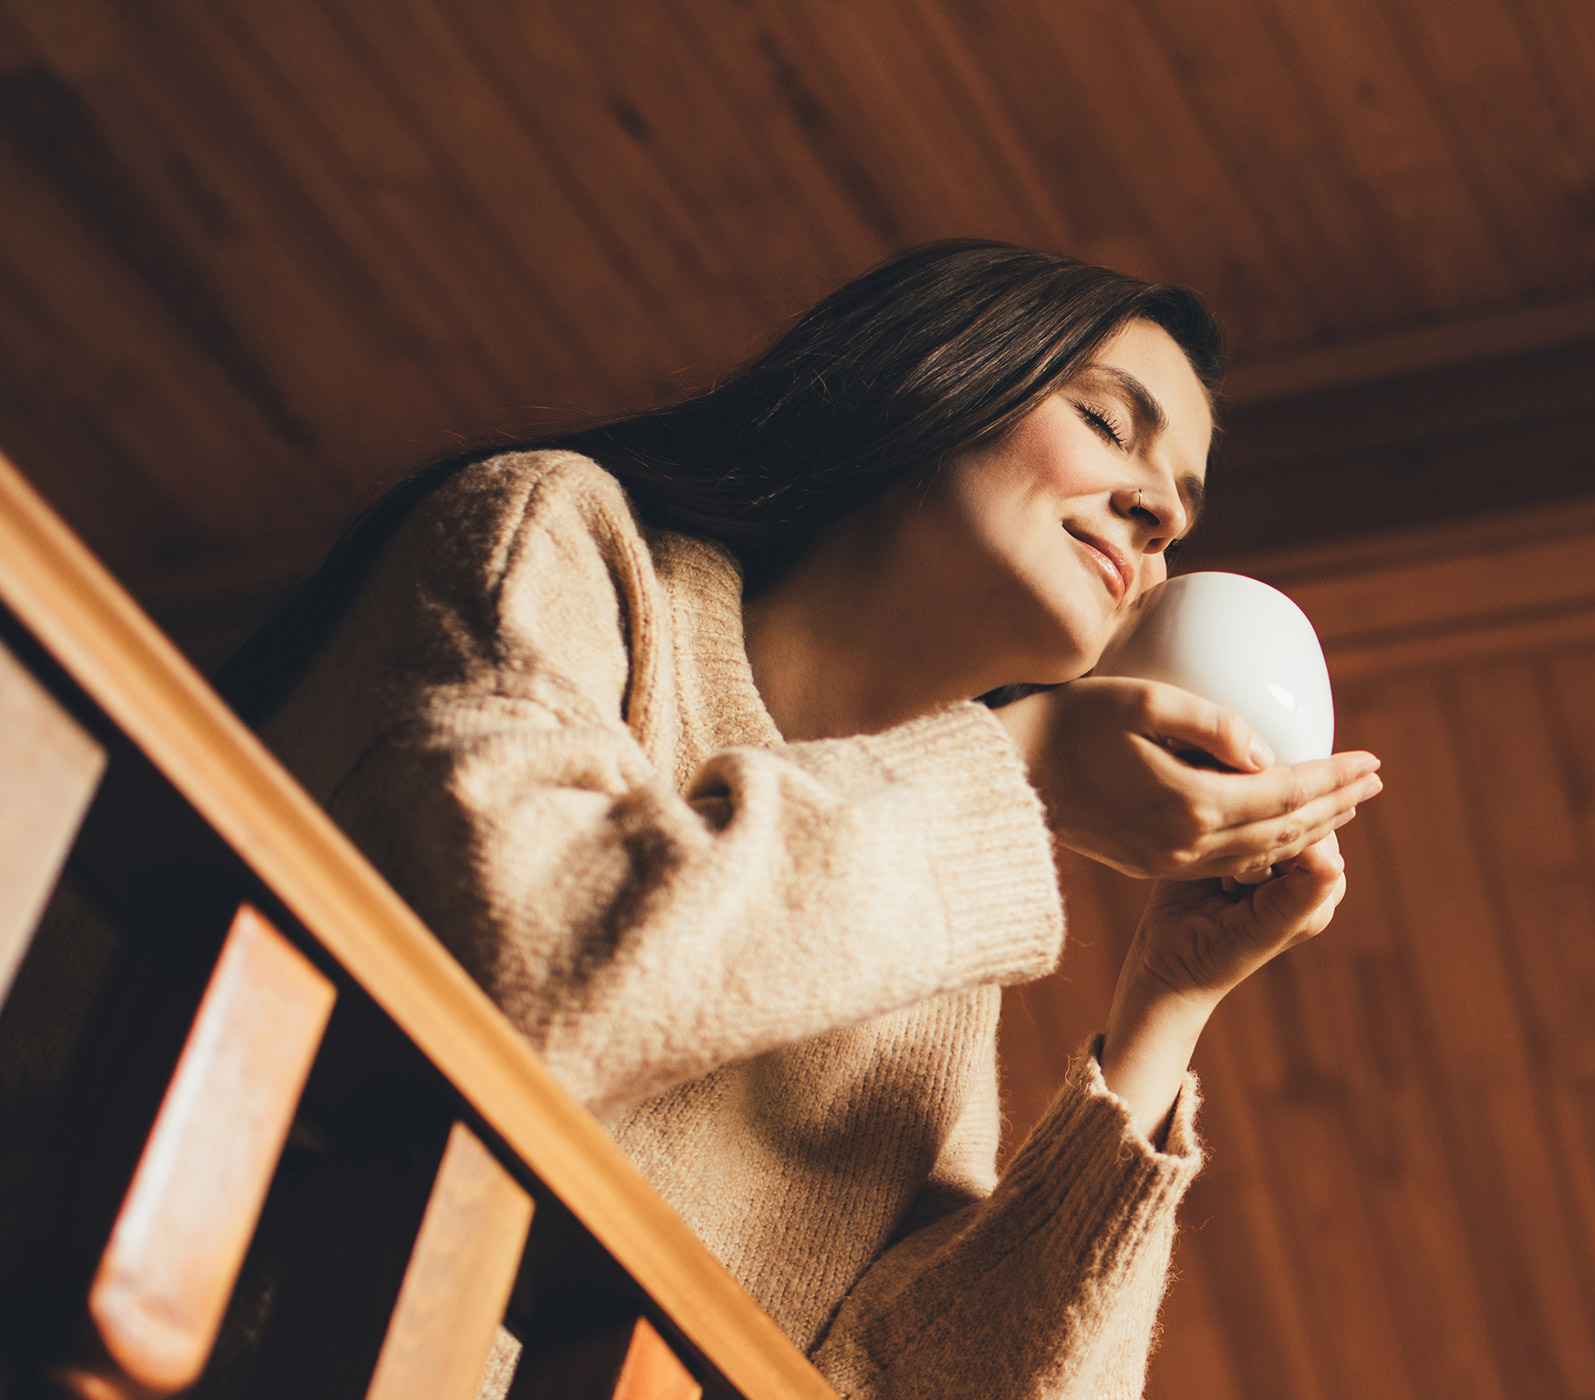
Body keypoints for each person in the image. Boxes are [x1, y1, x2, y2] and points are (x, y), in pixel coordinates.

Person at [226, 241, 1383, 1398]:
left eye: (1175, 518)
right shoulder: (571, 543)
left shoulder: (931, 965)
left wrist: (1166, 1005)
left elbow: (917, 1379)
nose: (1150, 516)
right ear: (941, 372)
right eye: (1107, 423)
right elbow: (511, 973)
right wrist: (1020, 775)